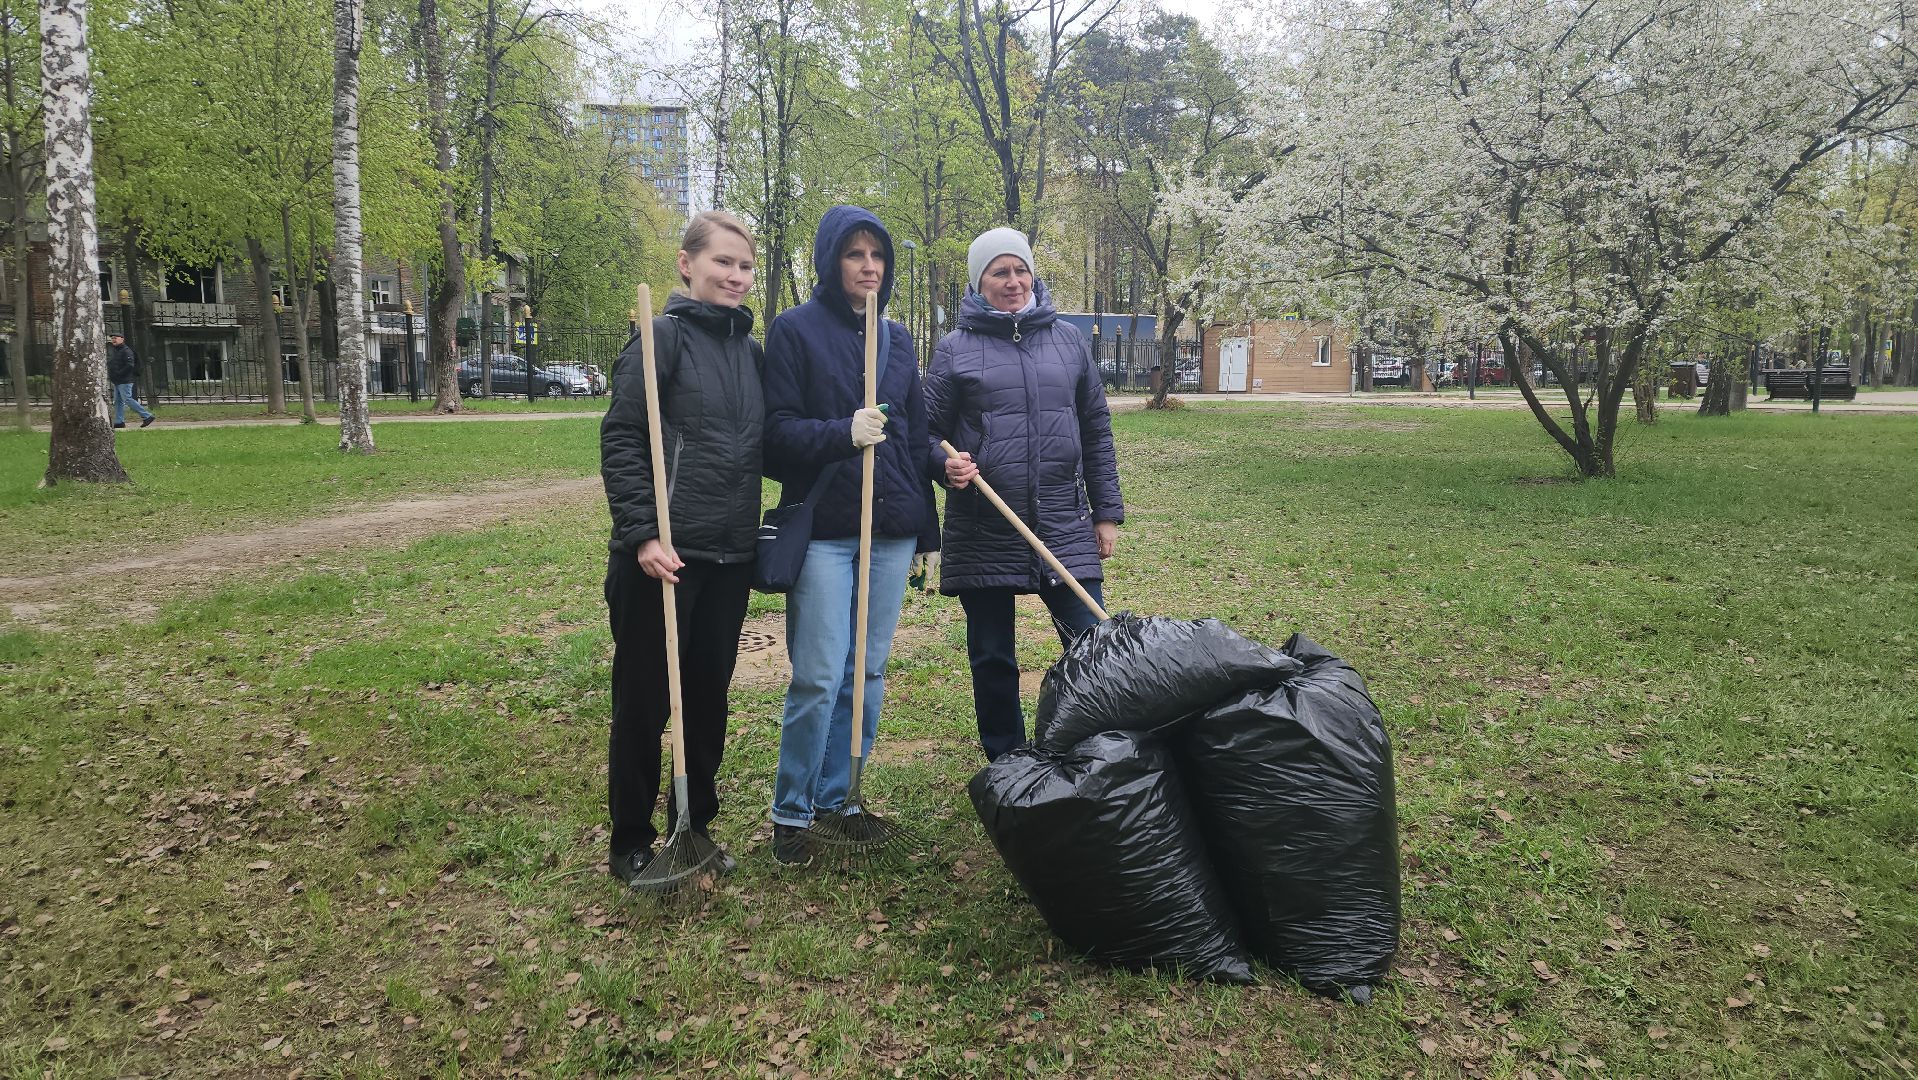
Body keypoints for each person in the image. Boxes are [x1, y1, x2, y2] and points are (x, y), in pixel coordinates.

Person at [762, 205, 938, 865]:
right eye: (855, 254)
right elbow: (774, 436)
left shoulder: (897, 339)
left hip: (890, 530)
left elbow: (915, 438)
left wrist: (928, 528)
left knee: (867, 670)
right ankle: (792, 812)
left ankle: (841, 799)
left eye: (878, 255)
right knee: (817, 674)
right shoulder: (794, 331)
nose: (869, 267)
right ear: (830, 261)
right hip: (826, 531)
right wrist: (844, 432)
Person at [600, 210, 763, 885]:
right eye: (723, 261)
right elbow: (622, 438)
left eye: (745, 265)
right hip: (663, 557)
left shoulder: (751, 353)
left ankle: (691, 827)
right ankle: (631, 839)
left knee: (706, 700)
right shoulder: (660, 339)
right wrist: (642, 533)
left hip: (729, 557)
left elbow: (765, 444)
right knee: (644, 700)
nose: (735, 275)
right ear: (686, 263)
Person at [925, 227, 1125, 762]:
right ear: (978, 282)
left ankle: (1099, 753)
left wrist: (1105, 513)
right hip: (985, 523)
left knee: (1091, 643)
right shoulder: (954, 349)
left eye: (1020, 270)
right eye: (999, 272)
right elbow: (923, 431)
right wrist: (944, 464)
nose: (1013, 281)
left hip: (1063, 520)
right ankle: (1008, 762)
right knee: (993, 656)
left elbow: (1096, 430)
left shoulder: (1068, 341)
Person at [106, 333, 154, 429]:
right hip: (118, 380)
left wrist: (119, 373)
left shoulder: (126, 350)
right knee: (118, 401)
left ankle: (147, 416)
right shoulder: (117, 350)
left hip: (125, 380)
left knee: (127, 399)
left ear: (122, 339)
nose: (113, 340)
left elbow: (129, 365)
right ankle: (119, 422)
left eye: (115, 338)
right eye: (112, 338)